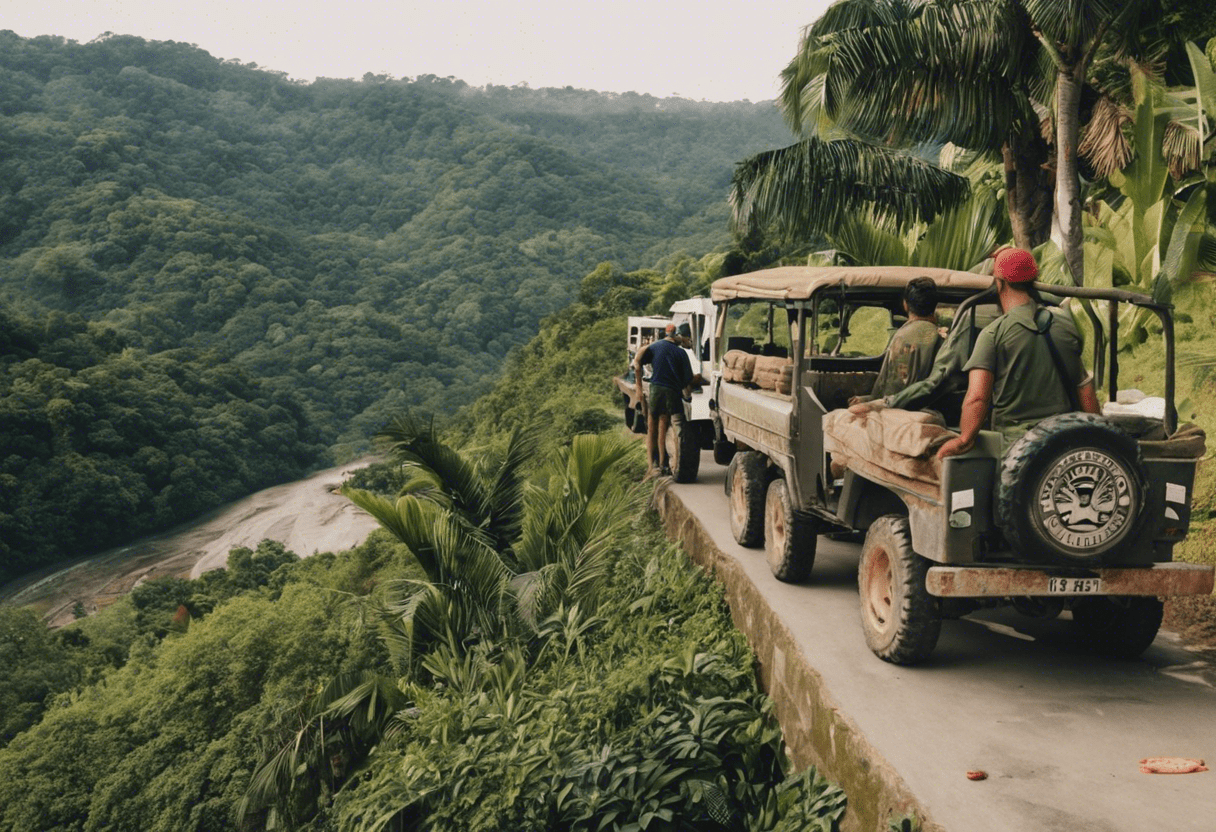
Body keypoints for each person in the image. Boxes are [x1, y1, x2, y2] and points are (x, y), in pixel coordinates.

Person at [937, 248, 1099, 459]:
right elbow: (1083, 387)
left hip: (1017, 449)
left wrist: (964, 440)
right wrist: (1099, 438)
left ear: (999, 282)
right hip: (1064, 442)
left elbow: (977, 397)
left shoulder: (993, 334)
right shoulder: (1064, 323)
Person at [849, 276, 942, 405]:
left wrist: (871, 402)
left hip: (903, 411)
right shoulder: (944, 336)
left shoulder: (903, 337)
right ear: (934, 305)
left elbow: (895, 387)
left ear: (905, 305)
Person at [634, 322, 693, 475]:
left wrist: (639, 386)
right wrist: (689, 391)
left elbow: (638, 362)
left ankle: (653, 466)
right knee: (663, 425)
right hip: (671, 391)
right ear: (681, 337)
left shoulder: (654, 347)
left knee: (651, 425)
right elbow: (688, 379)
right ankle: (663, 464)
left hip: (655, 389)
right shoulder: (681, 353)